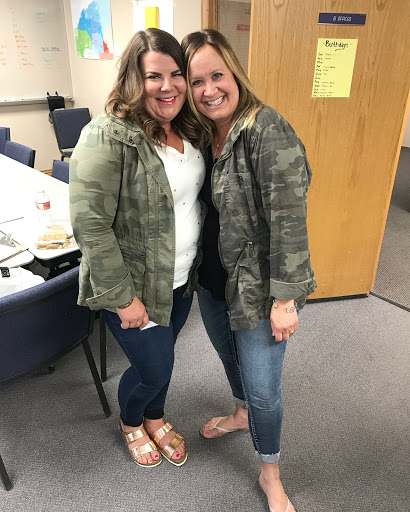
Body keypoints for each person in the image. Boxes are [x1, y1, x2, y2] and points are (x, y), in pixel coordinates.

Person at [181, 29, 316, 511]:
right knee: (230, 358)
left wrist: (285, 300)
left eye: (217, 75)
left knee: (264, 389)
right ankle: (239, 414)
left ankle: (270, 473)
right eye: (197, 82)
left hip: (259, 291)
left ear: (235, 73)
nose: (209, 90)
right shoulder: (202, 133)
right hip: (213, 281)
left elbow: (289, 219)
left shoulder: (265, 128)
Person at [69, 28, 205, 468]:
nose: (168, 86)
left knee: (164, 360)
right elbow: (90, 226)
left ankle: (155, 417)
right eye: (154, 76)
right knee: (154, 368)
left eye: (176, 74)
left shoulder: (188, 128)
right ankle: (131, 422)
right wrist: (123, 298)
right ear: (133, 78)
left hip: (180, 278)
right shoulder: (107, 136)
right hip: (134, 287)